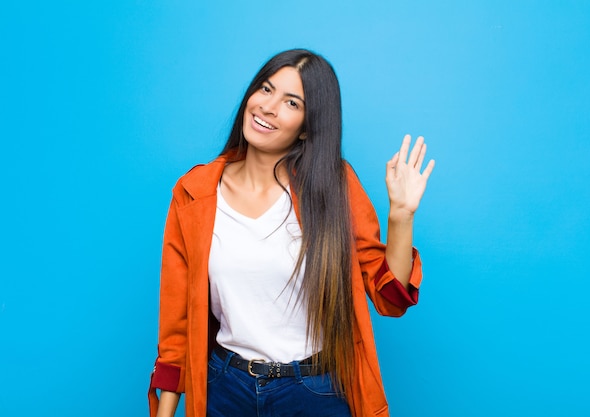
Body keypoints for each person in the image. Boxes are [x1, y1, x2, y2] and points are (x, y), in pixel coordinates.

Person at [148, 48, 435, 417]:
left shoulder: (334, 187)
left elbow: (391, 299)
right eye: (266, 90)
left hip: (314, 392)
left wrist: (401, 215)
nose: (268, 107)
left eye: (291, 103)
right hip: (224, 388)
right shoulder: (194, 192)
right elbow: (176, 326)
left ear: (307, 128)